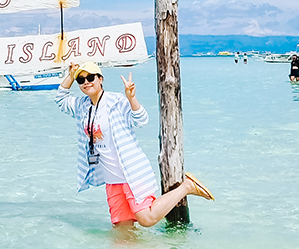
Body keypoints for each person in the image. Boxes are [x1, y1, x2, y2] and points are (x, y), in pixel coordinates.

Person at [54, 60, 214, 227]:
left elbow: (141, 120)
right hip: (112, 179)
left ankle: (187, 186)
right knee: (123, 232)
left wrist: (132, 99)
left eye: (90, 77)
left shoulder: (115, 101)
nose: (86, 82)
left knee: (147, 219)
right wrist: (70, 76)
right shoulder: (82, 106)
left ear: (100, 79)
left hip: (130, 172)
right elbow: (60, 98)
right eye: (81, 80)